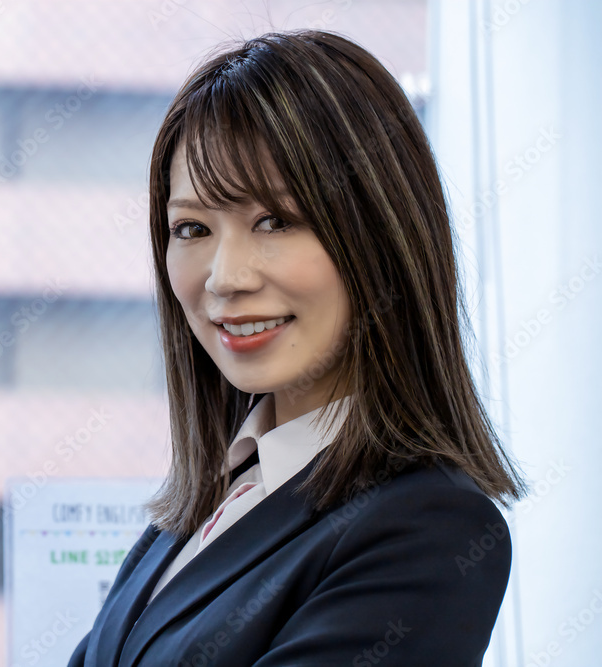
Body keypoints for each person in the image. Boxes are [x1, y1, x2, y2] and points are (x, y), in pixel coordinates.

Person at [66, 29, 528, 666]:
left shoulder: (431, 528)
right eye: (192, 228)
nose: (225, 278)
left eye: (275, 221)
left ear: (380, 234)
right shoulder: (210, 503)